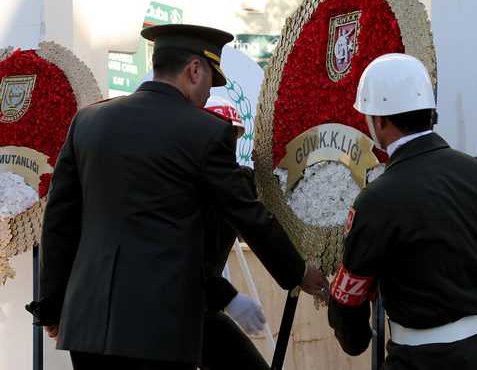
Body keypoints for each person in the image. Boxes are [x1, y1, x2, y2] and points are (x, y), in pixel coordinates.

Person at [26, 24, 328, 370]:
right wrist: (296, 271)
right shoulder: (206, 132)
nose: (206, 98)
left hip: (89, 323)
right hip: (159, 326)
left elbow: (59, 222)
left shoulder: (88, 121)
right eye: (209, 84)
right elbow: (247, 215)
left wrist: (51, 304)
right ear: (195, 70)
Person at [328, 53, 477, 369]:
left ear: (379, 121)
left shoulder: (378, 199)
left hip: (424, 360)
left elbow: (349, 297)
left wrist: (353, 337)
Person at [201, 97, 270, 370]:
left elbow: (260, 222)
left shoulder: (237, 181)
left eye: (232, 136)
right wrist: (228, 298)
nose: (226, 144)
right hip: (176, 307)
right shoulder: (177, 185)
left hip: (203, 305)